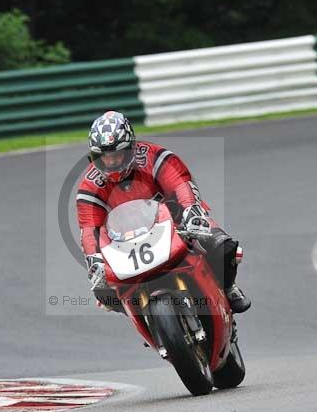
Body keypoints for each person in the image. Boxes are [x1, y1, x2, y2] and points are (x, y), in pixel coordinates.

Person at [76, 110, 250, 313]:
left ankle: (229, 288)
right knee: (103, 291)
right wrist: (93, 257)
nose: (112, 161)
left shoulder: (156, 158)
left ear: (131, 147)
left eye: (117, 154)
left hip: (177, 222)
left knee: (222, 245)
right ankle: (146, 320)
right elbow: (89, 228)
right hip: (127, 242)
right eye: (105, 157)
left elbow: (180, 184)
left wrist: (191, 211)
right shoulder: (89, 187)